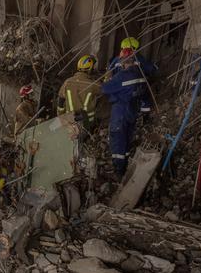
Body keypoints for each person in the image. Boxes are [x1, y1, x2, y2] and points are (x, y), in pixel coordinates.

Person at [102, 48, 147, 178]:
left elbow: (105, 88)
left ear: (123, 61)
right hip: (132, 111)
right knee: (127, 138)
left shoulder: (121, 76)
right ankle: (125, 163)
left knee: (117, 140)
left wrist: (108, 77)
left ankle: (118, 170)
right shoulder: (141, 75)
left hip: (120, 112)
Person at [108, 37, 157, 122]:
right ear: (135, 48)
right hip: (136, 89)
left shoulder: (117, 59)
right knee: (145, 96)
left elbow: (109, 71)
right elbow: (151, 69)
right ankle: (145, 116)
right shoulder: (139, 58)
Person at [57, 55, 102, 130]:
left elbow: (61, 101)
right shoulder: (94, 84)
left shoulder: (68, 82)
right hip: (88, 123)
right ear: (90, 69)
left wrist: (61, 117)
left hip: (70, 120)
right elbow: (105, 91)